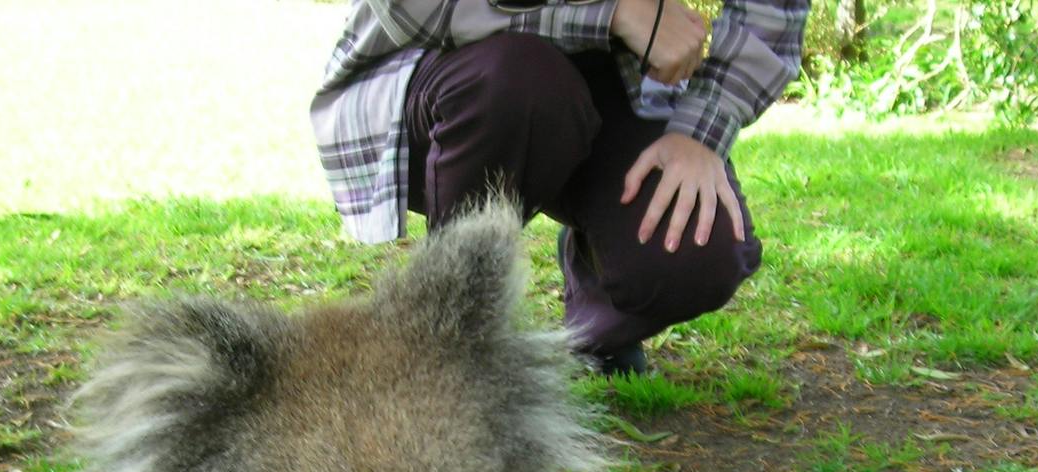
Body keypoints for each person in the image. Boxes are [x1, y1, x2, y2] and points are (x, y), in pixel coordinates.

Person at [312, 0, 811, 374]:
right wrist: (612, 11)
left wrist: (701, 133)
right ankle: (452, 348)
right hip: (445, 72)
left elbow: (772, 9)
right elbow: (415, 9)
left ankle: (593, 295)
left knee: (696, 253)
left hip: (613, 69)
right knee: (518, 81)